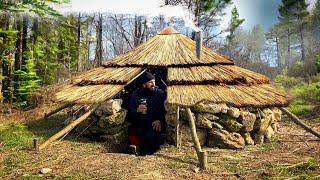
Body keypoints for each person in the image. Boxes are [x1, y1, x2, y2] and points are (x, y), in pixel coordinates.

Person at [127, 72, 166, 155]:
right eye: (150, 82)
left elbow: (165, 110)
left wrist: (160, 120)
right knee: (133, 131)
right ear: (144, 84)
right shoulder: (136, 94)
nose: (153, 84)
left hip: (154, 121)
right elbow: (130, 109)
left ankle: (150, 153)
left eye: (154, 81)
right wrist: (137, 110)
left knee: (150, 135)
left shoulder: (159, 93)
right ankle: (136, 149)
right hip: (140, 121)